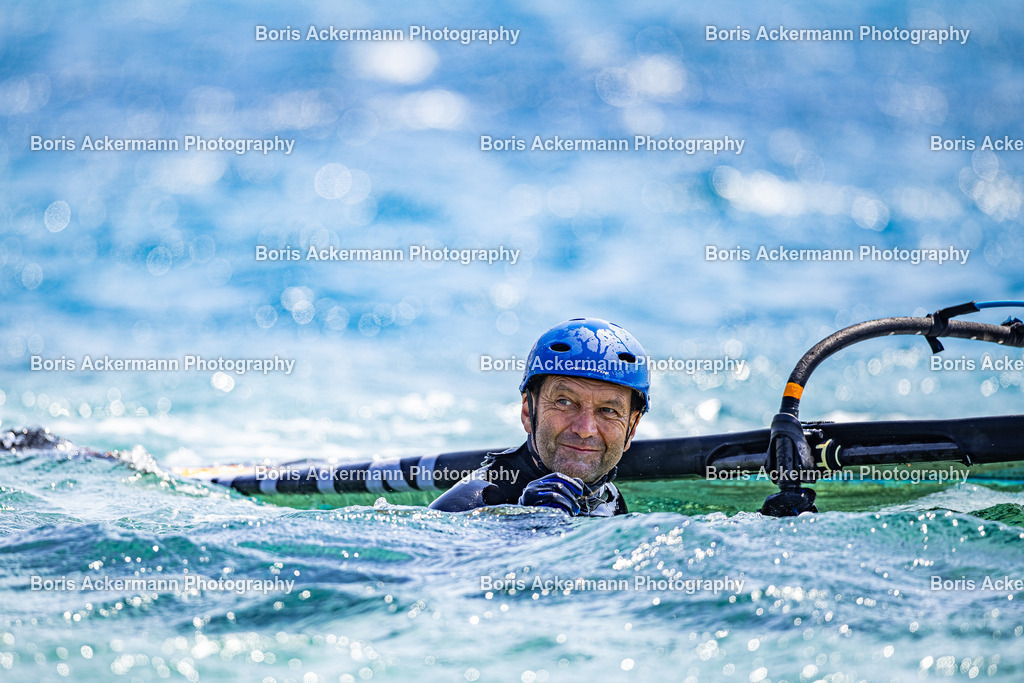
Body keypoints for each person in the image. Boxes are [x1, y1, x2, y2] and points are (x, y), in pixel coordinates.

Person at [429, 318, 650, 516]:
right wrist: (522, 525)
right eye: (564, 402)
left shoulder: (611, 500)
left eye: (608, 411)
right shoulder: (466, 506)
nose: (585, 429)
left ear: (632, 427)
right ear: (527, 411)